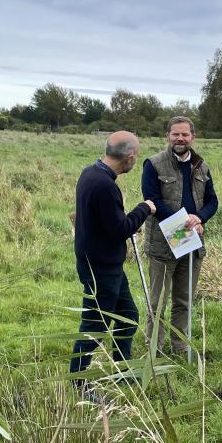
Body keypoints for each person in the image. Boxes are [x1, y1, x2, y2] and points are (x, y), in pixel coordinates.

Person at [69, 131, 156, 396]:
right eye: (136, 156)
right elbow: (120, 229)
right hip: (100, 267)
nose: (135, 160)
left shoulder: (90, 172)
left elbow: (105, 222)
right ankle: (79, 381)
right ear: (129, 158)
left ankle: (122, 369)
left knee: (128, 316)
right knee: (94, 325)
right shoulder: (105, 185)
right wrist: (145, 208)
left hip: (106, 263)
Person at [141, 116, 219, 357]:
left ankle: (180, 346)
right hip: (163, 243)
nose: (180, 139)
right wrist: (185, 222)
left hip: (192, 242)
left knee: (184, 299)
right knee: (157, 301)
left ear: (193, 137)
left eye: (185, 134)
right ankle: (154, 348)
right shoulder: (153, 164)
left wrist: (200, 218)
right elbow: (153, 200)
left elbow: (212, 201)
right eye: (175, 134)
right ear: (168, 136)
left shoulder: (201, 166)